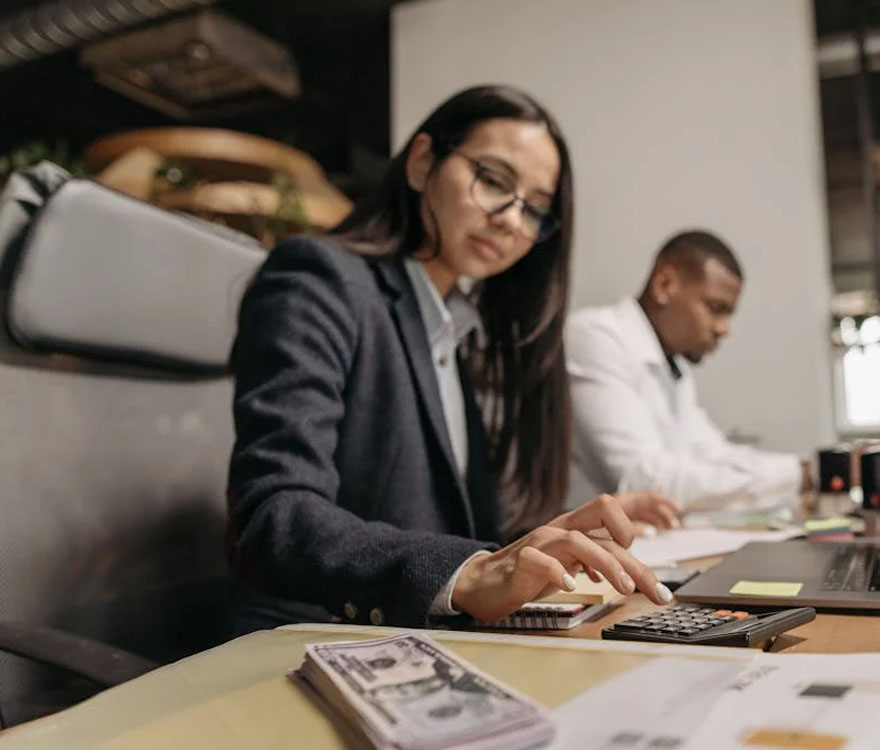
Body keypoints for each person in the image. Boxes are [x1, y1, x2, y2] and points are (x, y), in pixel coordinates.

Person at [225, 85, 677, 634]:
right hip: (307, 642)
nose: (513, 220)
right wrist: (470, 572)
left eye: (535, 208)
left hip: (417, 640)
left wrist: (555, 537)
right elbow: (277, 512)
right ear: (422, 163)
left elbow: (438, 524)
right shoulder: (317, 279)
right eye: (494, 181)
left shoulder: (450, 325)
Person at [567, 230, 803, 509]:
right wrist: (800, 475)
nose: (723, 329)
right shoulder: (596, 336)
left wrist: (806, 470)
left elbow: (712, 453)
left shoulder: (674, 368)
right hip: (566, 542)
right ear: (665, 285)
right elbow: (644, 481)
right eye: (716, 308)